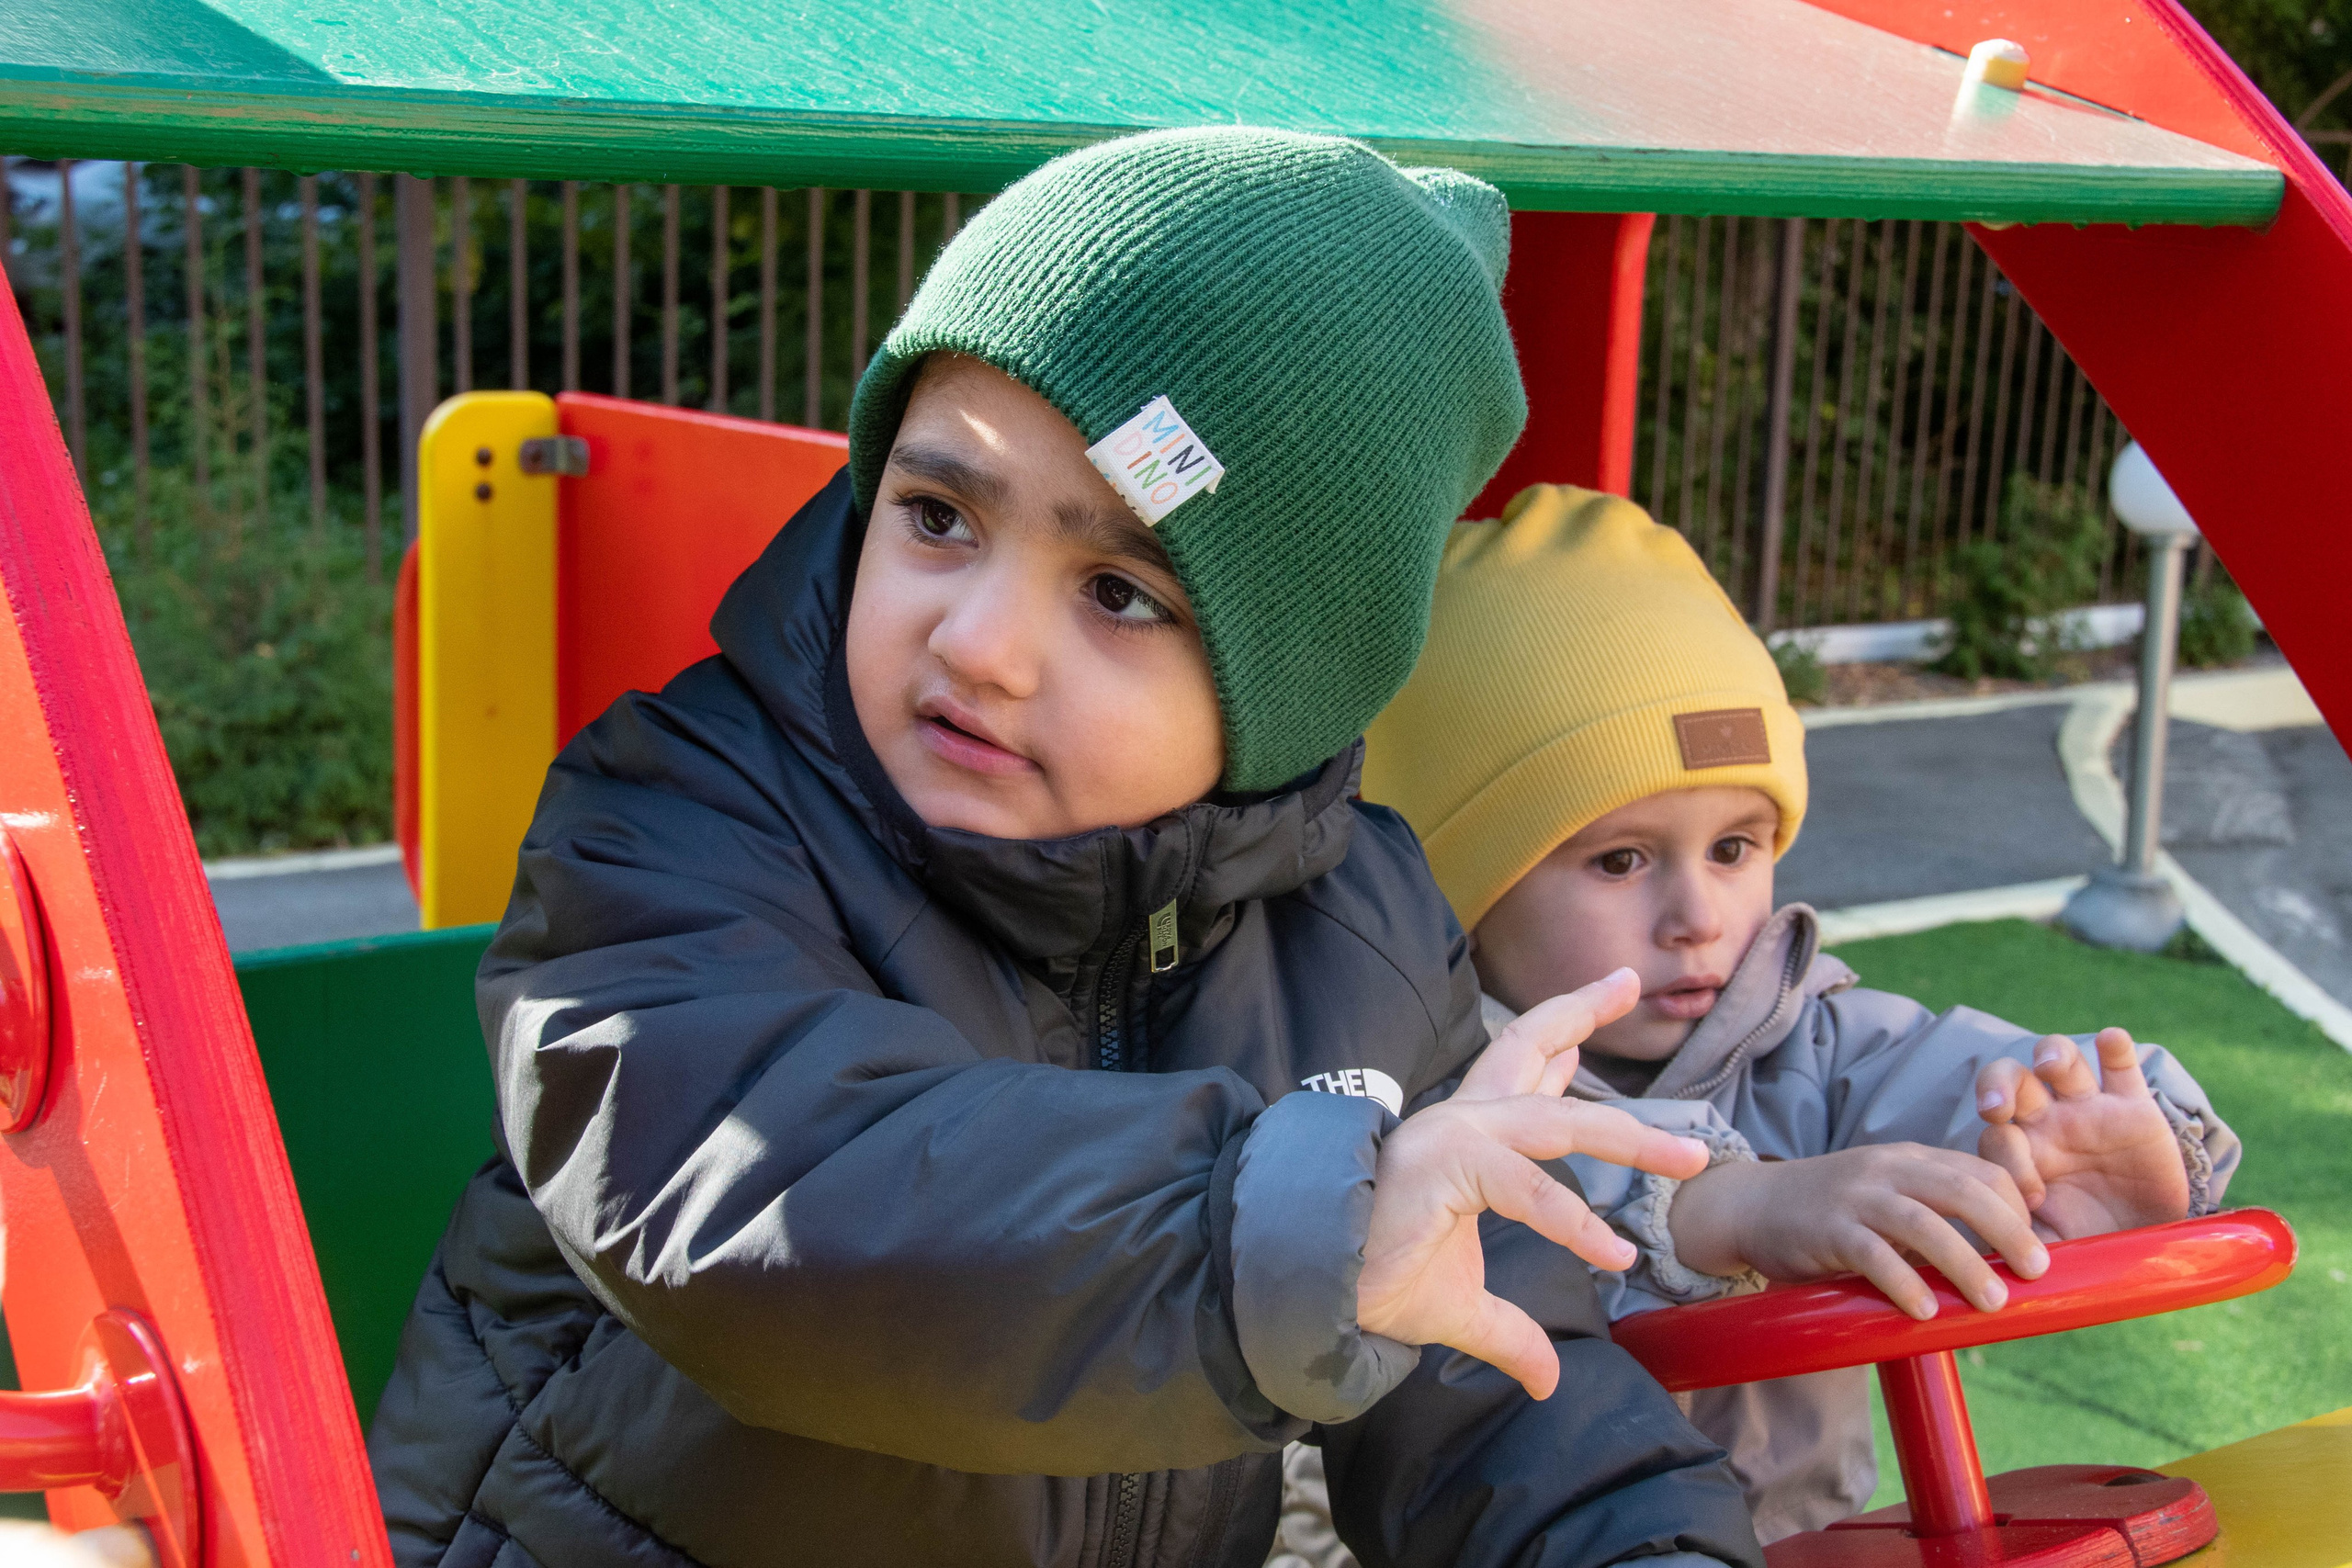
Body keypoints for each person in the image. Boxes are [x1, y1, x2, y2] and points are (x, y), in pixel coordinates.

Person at [367, 131, 1766, 1568]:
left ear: (1292, 681)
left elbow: (1491, 1345)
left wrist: (1641, 1542)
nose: (978, 642)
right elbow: (773, 1197)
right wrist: (1295, 1236)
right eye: (937, 516)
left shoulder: (1361, 928)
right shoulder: (681, 816)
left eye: (1116, 589)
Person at [1359, 484, 2240, 1546]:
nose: (1696, 918)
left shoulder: (1805, 1040)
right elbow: (1477, 1196)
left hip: (1804, 1543)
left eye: (1734, 849)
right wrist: (1722, 1205)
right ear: (1467, 885)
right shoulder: (1412, 1080)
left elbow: (1955, 1079)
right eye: (1620, 860)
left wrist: (2079, 1145)